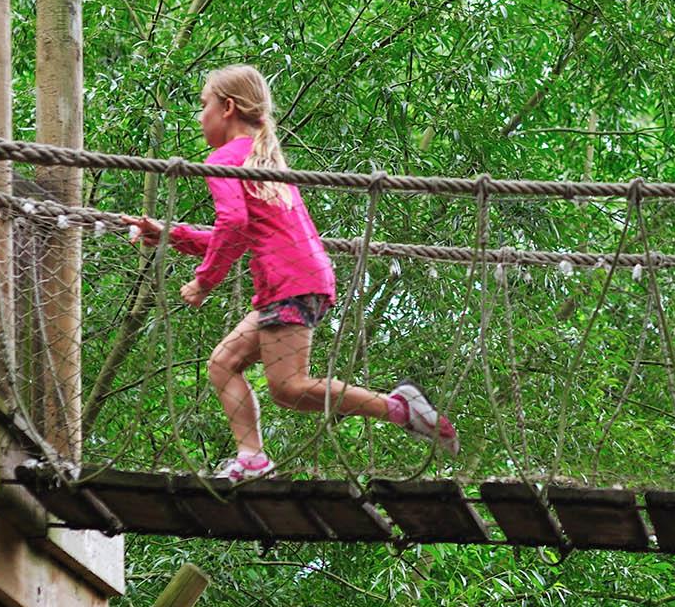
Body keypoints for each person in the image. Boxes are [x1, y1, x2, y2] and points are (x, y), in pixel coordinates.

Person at [125, 64, 457, 481]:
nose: (199, 115)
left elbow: (234, 227)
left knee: (288, 387)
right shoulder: (262, 161)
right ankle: (253, 458)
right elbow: (243, 233)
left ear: (227, 108)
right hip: (295, 280)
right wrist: (172, 235)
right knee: (223, 364)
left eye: (203, 104)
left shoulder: (226, 159)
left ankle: (399, 409)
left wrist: (204, 281)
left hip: (289, 284)